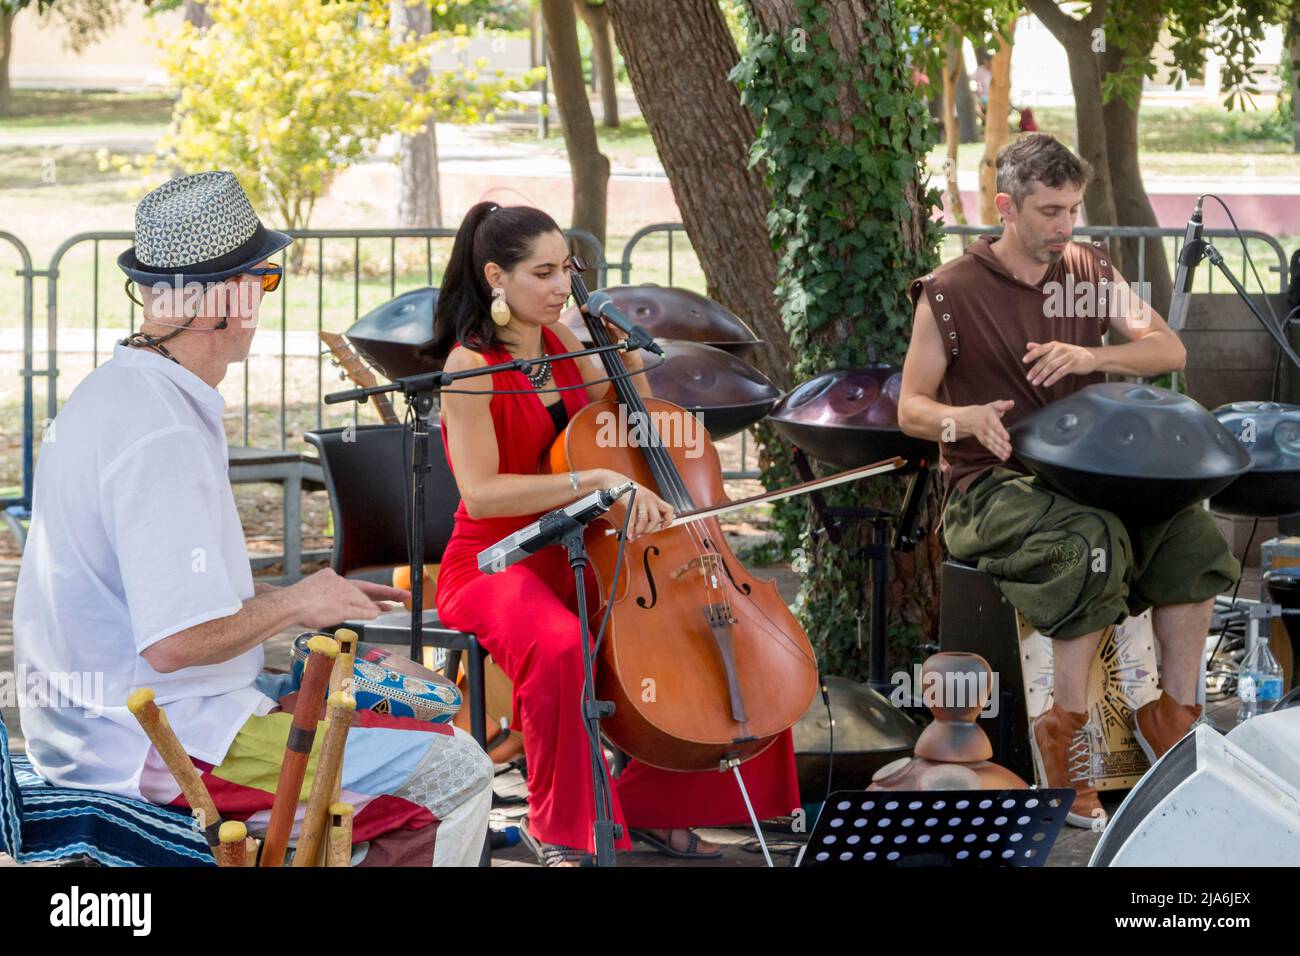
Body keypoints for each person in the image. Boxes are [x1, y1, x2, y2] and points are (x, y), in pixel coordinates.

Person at [13, 171, 493, 866]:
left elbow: (154, 601)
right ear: (224, 303)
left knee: (430, 729)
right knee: (459, 773)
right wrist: (299, 601)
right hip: (157, 743)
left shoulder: (123, 392)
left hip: (115, 719)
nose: (263, 302)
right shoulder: (160, 432)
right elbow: (174, 643)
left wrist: (295, 600)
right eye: (262, 283)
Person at [430, 201, 802, 866]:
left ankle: (658, 810)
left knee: (692, 636)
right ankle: (561, 826)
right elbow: (482, 493)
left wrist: (618, 347)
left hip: (587, 549)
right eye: (541, 273)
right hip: (497, 560)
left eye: (565, 270)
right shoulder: (470, 366)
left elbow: (629, 422)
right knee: (561, 643)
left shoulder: (567, 344)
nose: (558, 287)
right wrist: (595, 485)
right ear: (495, 276)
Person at [897, 134, 1239, 830]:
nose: (1065, 226)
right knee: (1095, 538)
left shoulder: (1085, 269)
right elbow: (910, 408)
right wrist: (961, 419)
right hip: (990, 491)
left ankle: (1172, 717)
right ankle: (1065, 730)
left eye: (1073, 209)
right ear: (1006, 206)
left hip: (1086, 480)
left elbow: (1167, 348)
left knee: (1192, 533)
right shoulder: (950, 291)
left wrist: (1090, 351)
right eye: (1050, 211)